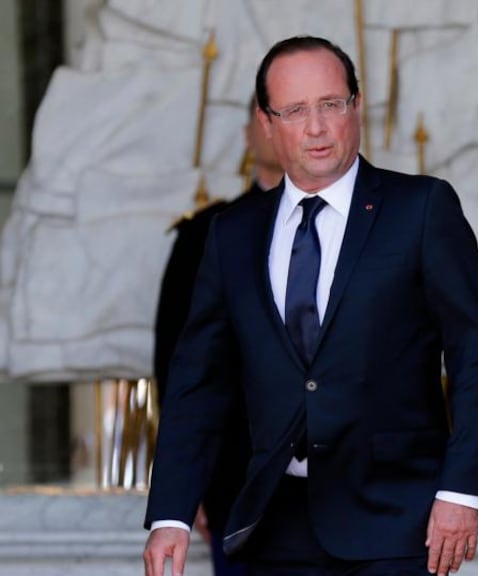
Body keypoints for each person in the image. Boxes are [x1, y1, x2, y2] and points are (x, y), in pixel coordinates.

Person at [143, 35, 478, 576]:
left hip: (400, 521)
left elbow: (477, 352)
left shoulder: (422, 209)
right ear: (267, 124)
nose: (315, 128)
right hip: (273, 524)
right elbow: (198, 381)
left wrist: (463, 489)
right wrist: (169, 512)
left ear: (356, 108)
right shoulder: (232, 235)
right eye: (294, 111)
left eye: (330, 105)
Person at [152, 95, 284, 576]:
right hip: (238, 478)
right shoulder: (204, 234)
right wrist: (189, 485)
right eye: (268, 116)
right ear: (251, 133)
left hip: (349, 484)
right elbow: (180, 368)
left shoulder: (370, 225)